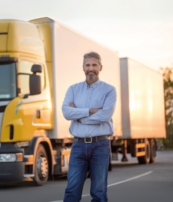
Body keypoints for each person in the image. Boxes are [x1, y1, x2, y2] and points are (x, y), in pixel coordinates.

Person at [62, 52, 117, 202]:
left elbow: (105, 116)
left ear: (100, 67)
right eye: (88, 65)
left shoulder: (109, 90)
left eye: (94, 65)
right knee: (72, 190)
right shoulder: (73, 89)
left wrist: (78, 116)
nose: (90, 68)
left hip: (100, 145)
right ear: (83, 67)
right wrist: (91, 111)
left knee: (99, 192)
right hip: (78, 144)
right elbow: (66, 112)